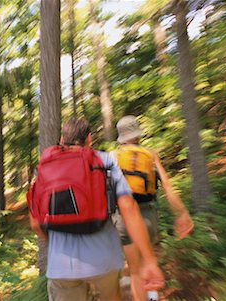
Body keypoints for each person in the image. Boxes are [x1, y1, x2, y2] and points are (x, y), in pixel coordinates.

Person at [29, 117, 164, 301]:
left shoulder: (44, 166)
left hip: (62, 265)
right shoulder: (104, 160)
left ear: (62, 138)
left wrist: (54, 244)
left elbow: (35, 223)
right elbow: (129, 208)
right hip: (104, 259)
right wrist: (148, 260)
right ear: (89, 138)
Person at [112, 115, 194, 301]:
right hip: (148, 217)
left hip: (124, 219)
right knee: (149, 266)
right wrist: (181, 212)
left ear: (121, 137)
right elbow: (167, 187)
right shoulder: (151, 155)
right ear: (138, 134)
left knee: (134, 272)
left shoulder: (114, 157)